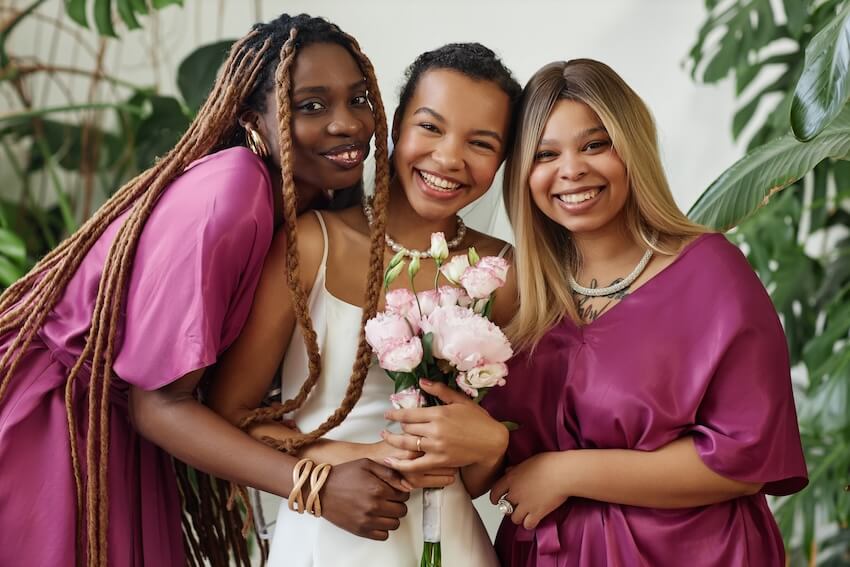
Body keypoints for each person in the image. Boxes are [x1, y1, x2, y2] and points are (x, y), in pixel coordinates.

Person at [0, 14, 414, 567]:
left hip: (115, 425)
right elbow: (158, 404)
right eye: (312, 105)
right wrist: (315, 486)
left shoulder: (307, 204)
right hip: (56, 426)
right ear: (253, 120)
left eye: (359, 99)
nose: (348, 123)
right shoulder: (231, 194)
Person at [383, 59, 808, 566]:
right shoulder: (517, 292)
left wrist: (567, 473)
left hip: (691, 553)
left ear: (632, 149)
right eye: (546, 154)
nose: (571, 170)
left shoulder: (711, 273)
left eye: (594, 145)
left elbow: (746, 460)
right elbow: (486, 473)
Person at [207, 42, 522, 566]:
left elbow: (489, 474)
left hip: (452, 544)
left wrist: (489, 446)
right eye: (430, 127)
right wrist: (355, 456)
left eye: (481, 142)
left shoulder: (503, 273)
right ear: (394, 126)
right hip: (326, 534)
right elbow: (233, 416)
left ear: (504, 158)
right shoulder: (312, 245)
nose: (449, 158)